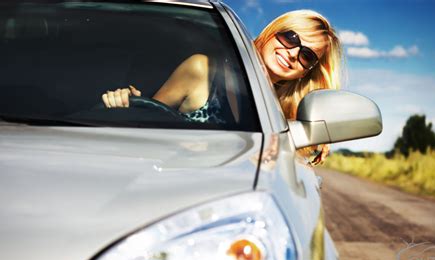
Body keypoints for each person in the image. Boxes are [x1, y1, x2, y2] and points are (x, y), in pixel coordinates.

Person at [102, 10, 343, 165]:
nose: (292, 53)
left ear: (308, 70)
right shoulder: (202, 70)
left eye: (307, 55)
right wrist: (131, 105)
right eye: (290, 38)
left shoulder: (286, 115)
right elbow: (149, 129)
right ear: (271, 33)